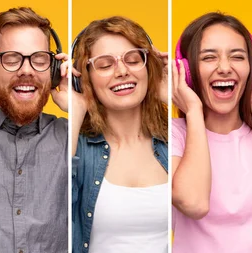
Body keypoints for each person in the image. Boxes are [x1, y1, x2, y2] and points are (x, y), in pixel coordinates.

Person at [0, 7, 69, 252]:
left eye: (40, 59)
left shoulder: (73, 136)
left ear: (54, 71)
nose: (27, 70)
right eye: (11, 59)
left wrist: (77, 108)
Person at [171, 12, 252, 253]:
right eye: (209, 57)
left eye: (237, 56)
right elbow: (194, 203)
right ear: (187, 72)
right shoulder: (171, 136)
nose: (225, 68)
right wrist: (193, 111)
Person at [71, 16, 169, 253]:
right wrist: (75, 111)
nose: (123, 71)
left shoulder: (173, 141)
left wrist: (179, 100)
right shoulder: (75, 146)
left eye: (134, 60)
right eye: (105, 65)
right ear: (83, 79)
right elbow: (52, 217)